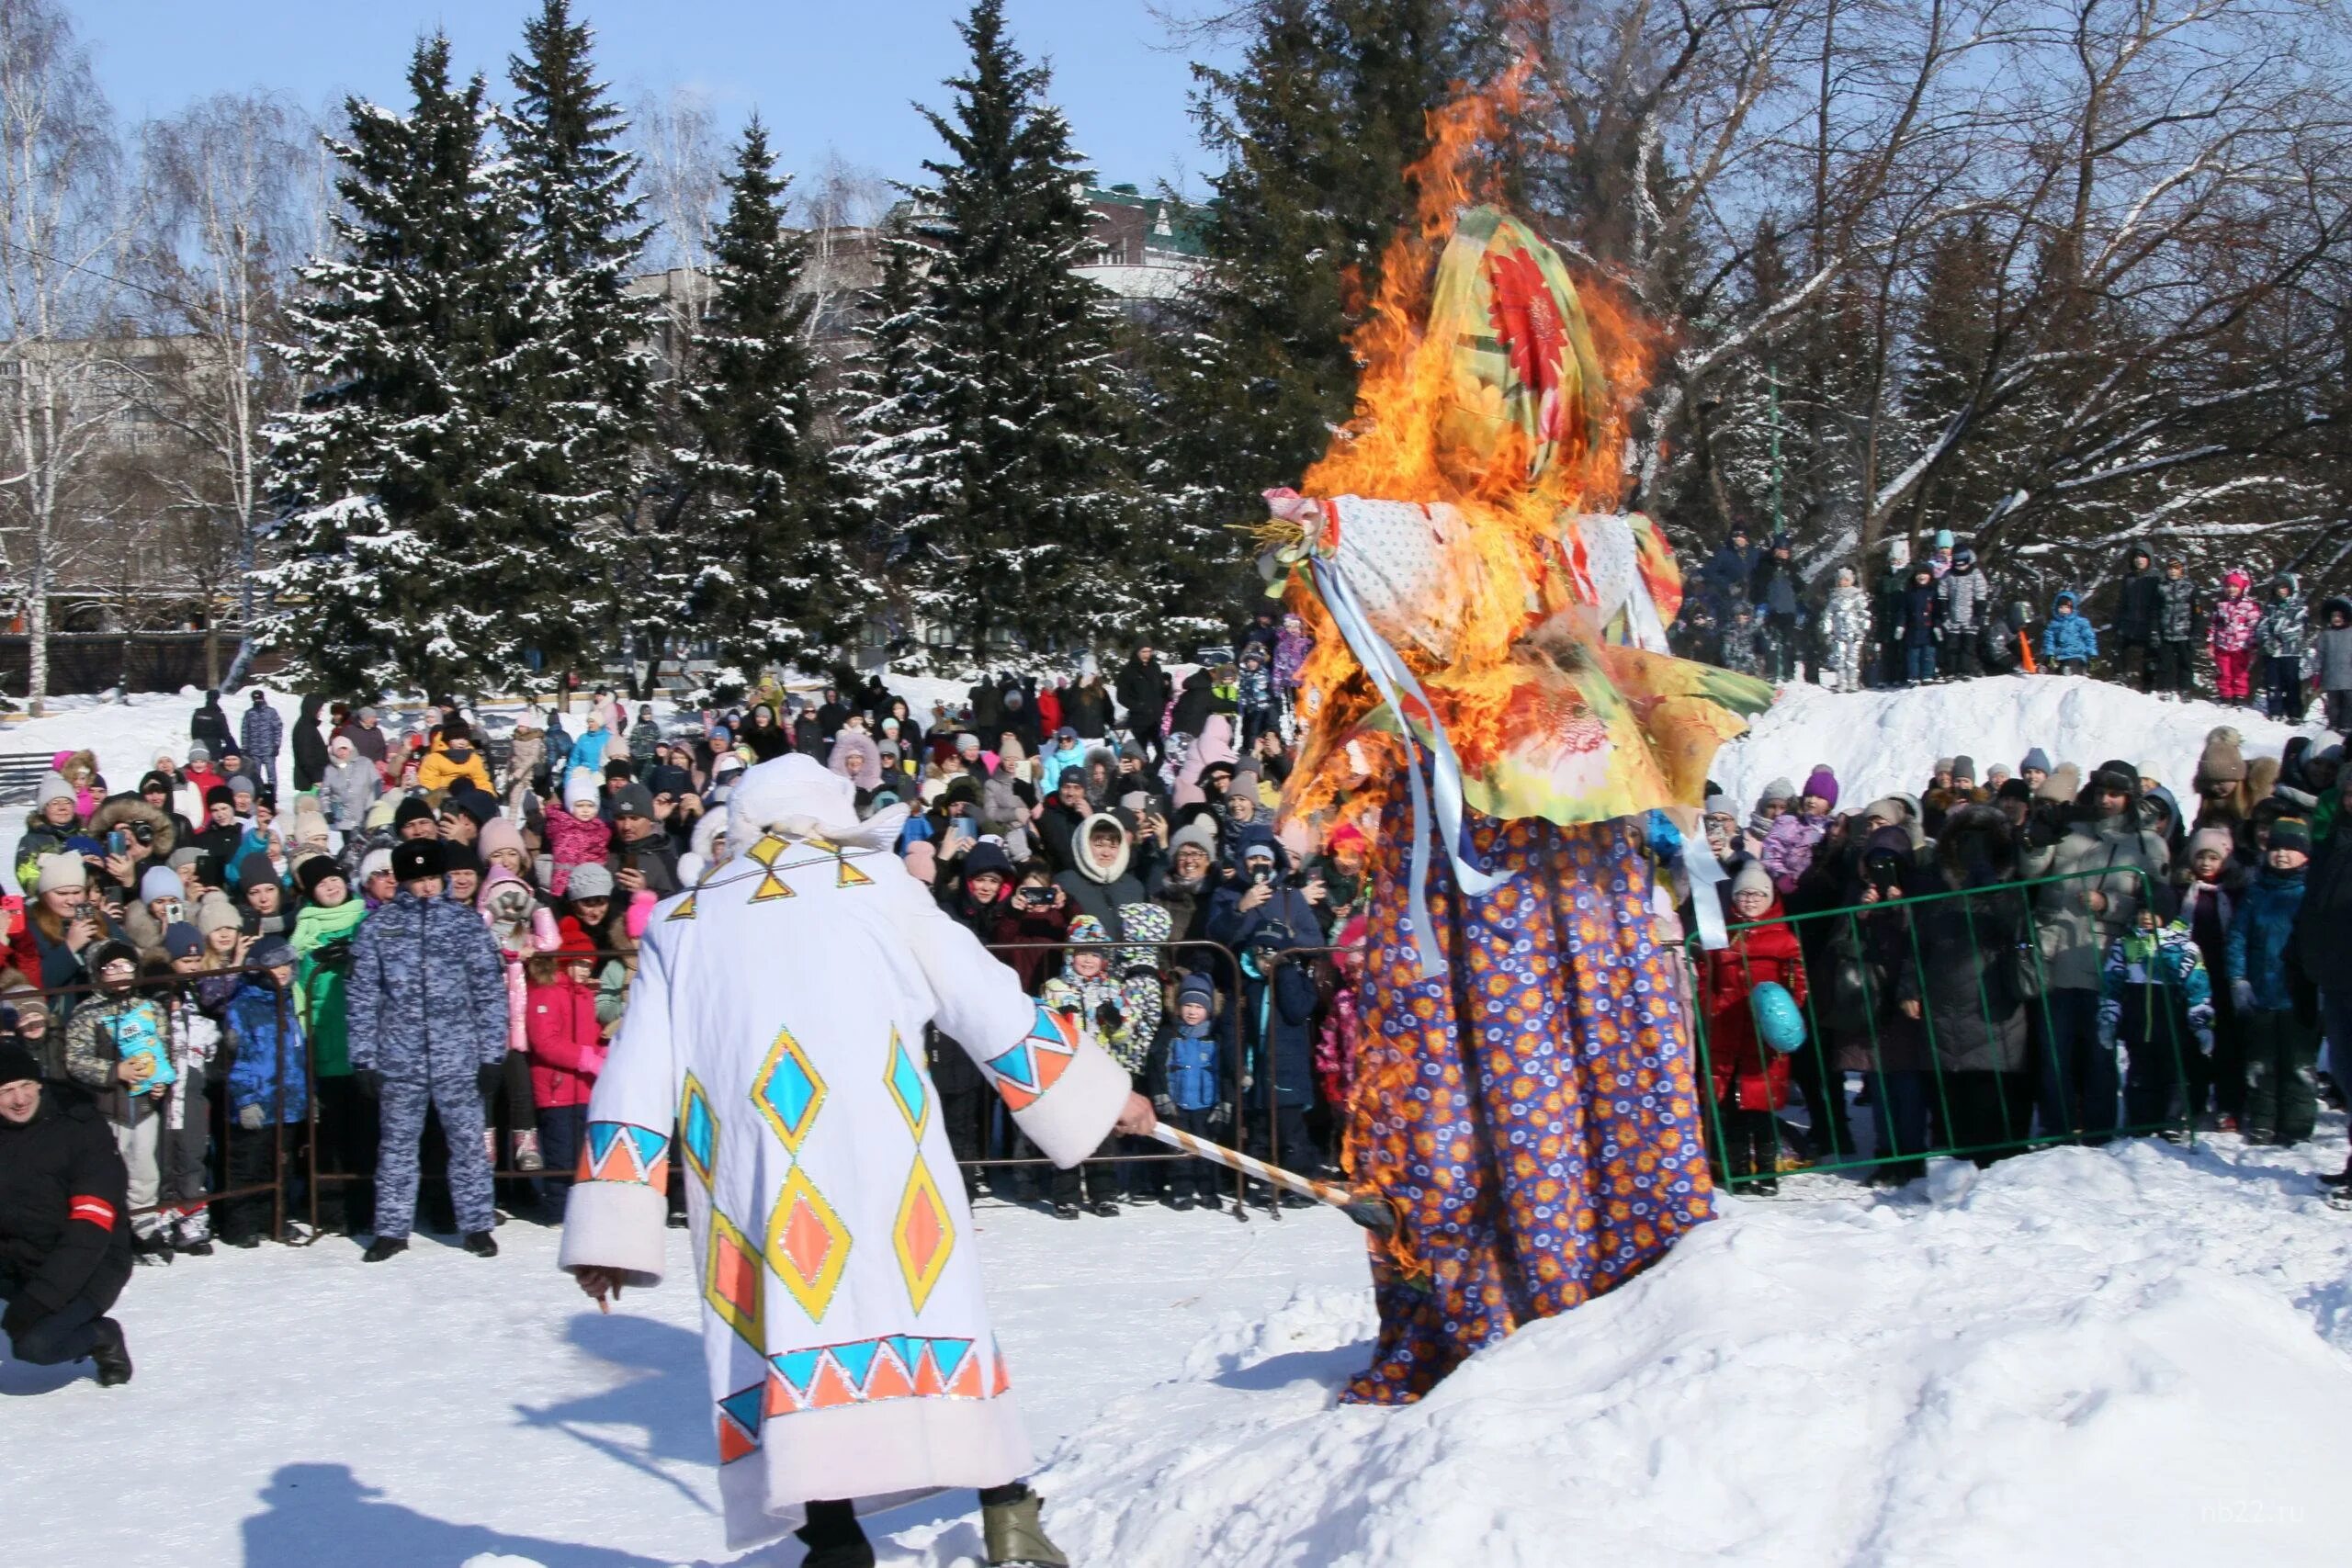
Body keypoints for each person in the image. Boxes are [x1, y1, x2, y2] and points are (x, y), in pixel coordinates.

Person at [560, 756, 1148, 1564]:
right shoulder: (876, 885)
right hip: (886, 1159)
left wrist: (609, 1229)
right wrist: (1099, 1095)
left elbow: (634, 1073)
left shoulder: (683, 920)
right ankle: (1008, 1512)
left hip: (761, 1179)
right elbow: (986, 998)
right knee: (936, 1317)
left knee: (793, 1328)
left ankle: (832, 1536)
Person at [346, 840, 512, 1262]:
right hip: (399, 1058)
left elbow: (489, 993)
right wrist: (363, 1057)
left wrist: (494, 1054)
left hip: (459, 1055)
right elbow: (363, 997)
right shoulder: (378, 928)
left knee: (468, 1144)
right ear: (400, 882)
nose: (425, 888)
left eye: (431, 879)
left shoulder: (466, 924)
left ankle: (476, 1224)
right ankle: (391, 1229)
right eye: (416, 880)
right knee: (397, 1146)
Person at [0, 1042, 135, 1386]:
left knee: (35, 1345)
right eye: (6, 1090)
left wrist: (38, 1299)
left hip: (93, 1261)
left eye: (26, 1085)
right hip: (20, 1254)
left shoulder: (81, 1129)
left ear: (40, 1083)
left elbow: (89, 1231)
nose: (19, 1099)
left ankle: (102, 1336)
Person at [2228, 817, 2319, 1145]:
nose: (2281, 854)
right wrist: (2238, 978)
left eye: (2291, 849)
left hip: (2299, 994)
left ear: (2306, 855)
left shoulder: (2310, 894)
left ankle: (2297, 1124)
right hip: (2260, 991)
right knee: (2260, 1062)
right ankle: (2262, 1120)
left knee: (2298, 1063)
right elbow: (2238, 936)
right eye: (2276, 847)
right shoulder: (2255, 893)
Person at [1148, 971, 1227, 1209]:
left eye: (1198, 1007)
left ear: (1209, 1009)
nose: (1192, 1012)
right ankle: (1182, 1191)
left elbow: (1225, 1072)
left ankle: (1207, 1190)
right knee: (1179, 1149)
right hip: (1177, 1102)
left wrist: (1225, 1101)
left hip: (1206, 1104)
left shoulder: (1215, 1039)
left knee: (1207, 1148)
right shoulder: (1169, 1035)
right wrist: (1161, 1094)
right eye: (1188, 1005)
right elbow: (1156, 1065)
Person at [2257, 571, 2310, 722]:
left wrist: (2280, 635)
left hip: (2291, 652)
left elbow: (2299, 629)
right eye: (2278, 587)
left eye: (2285, 587)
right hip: (2272, 652)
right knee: (2273, 683)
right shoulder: (2270, 606)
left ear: (2291, 588)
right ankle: (2275, 710)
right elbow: (2262, 626)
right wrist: (2267, 640)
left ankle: (2294, 712)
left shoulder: (2300, 607)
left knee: (2292, 684)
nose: (2281, 591)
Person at [2111, 546, 2164, 691]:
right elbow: (2122, 601)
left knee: (2150, 656)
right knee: (2118, 646)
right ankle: (2118, 677)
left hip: (2148, 625)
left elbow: (2159, 604)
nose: (2139, 560)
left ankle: (2149, 685)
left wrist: (2156, 626)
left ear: (2149, 559)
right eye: (2136, 557)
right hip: (2129, 623)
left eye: (2142, 557)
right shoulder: (2129, 578)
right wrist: (2117, 621)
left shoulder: (2156, 577)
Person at [2209, 570, 2262, 705]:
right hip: (2223, 645)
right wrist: (2210, 643)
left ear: (2242, 587)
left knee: (2240, 673)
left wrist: (2254, 645)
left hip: (2241, 647)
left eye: (2235, 586)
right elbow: (2213, 624)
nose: (2231, 589)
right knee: (2224, 673)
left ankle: (2239, 696)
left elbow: (2254, 627)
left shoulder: (2250, 606)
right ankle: (2225, 696)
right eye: (2228, 586)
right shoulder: (2221, 605)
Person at [1115, 645, 1174, 766]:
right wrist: (1138, 706)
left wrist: (1167, 692)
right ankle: (1142, 781)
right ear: (1137, 651)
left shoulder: (1155, 667)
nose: (1147, 654)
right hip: (1139, 720)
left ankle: (1151, 776)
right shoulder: (1128, 671)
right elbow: (1121, 697)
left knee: (1162, 752)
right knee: (1141, 756)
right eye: (1143, 651)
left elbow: (1160, 691)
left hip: (1155, 721)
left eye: (1149, 651)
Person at [2154, 558, 2201, 698]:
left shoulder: (2191, 587)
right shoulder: (2161, 587)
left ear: (2183, 569)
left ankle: (2185, 688)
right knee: (2165, 662)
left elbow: (2197, 612)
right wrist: (2154, 630)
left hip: (2185, 633)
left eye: (2176, 567)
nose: (2173, 570)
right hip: (2166, 632)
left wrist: (2196, 632)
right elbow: (2155, 610)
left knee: (2185, 663)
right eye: (2170, 567)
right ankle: (2165, 687)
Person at [1819, 566, 1871, 692]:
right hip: (1838, 634)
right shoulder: (1834, 597)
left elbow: (1863, 612)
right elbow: (1828, 614)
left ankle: (1853, 683)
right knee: (1839, 659)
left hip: (1854, 633)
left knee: (1852, 659)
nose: (1843, 582)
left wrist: (1864, 626)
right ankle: (1842, 683)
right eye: (1841, 580)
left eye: (1846, 580)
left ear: (1851, 581)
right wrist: (1827, 629)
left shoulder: (1856, 595)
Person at [2041, 590, 2098, 675]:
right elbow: (2049, 640)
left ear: (2072, 608)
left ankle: (2070, 671)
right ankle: (2045, 669)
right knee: (2052, 666)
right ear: (2056, 608)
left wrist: (2092, 655)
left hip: (2075, 654)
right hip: (2059, 655)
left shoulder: (2080, 622)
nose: (2064, 610)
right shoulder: (2053, 624)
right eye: (2061, 608)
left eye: (2066, 608)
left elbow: (2089, 638)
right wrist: (2050, 654)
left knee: (2071, 666)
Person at [240, 691, 284, 791]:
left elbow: (278, 728)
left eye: (259, 698)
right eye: (255, 699)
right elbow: (245, 731)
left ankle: (272, 796)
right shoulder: (249, 713)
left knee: (271, 776)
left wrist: (276, 745)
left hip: (268, 750)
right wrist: (245, 747)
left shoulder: (271, 712)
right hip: (254, 751)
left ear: (263, 698)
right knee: (255, 776)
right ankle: (258, 795)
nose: (258, 701)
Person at [190, 688, 237, 761]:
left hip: (199, 744)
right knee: (213, 766)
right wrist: (231, 744)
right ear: (218, 698)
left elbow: (193, 730)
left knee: (199, 763)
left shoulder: (198, 712)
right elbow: (225, 732)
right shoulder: (219, 714)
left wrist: (196, 741)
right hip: (214, 745)